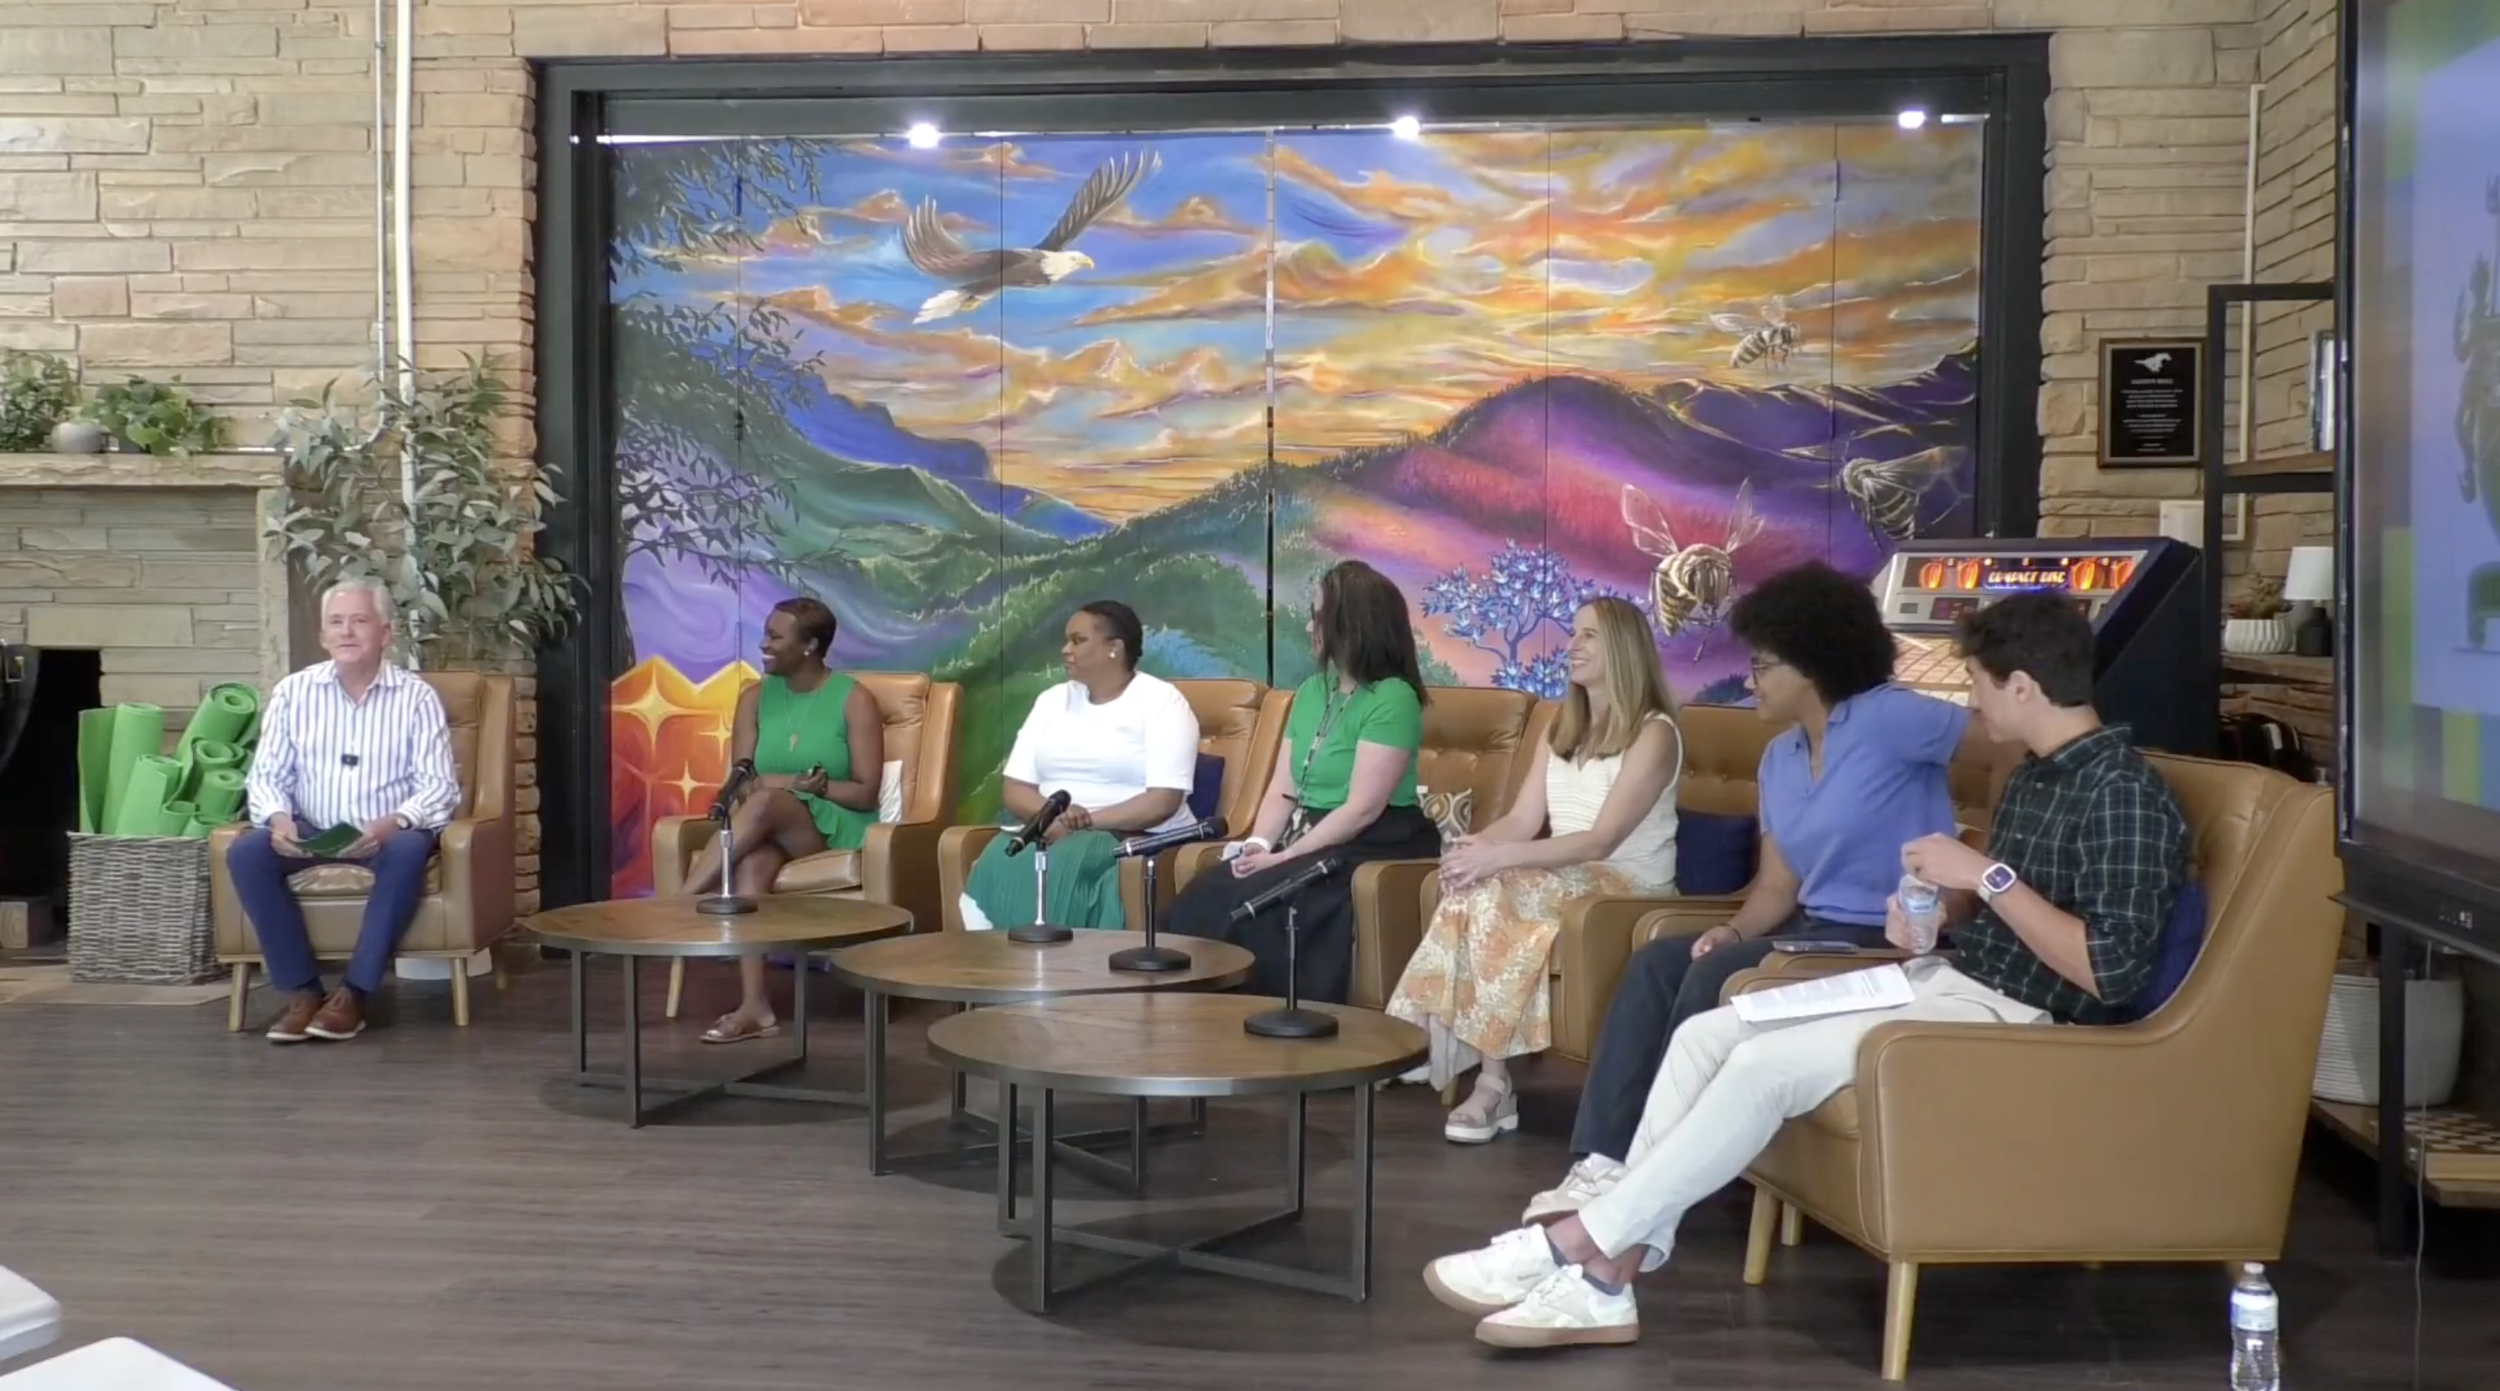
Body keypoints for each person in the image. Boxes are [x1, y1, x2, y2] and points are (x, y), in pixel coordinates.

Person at [1421, 591, 2190, 1349]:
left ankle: (1578, 1250)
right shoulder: (2034, 777)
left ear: (2022, 686)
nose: (1973, 708)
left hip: (2021, 1014)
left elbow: (2108, 971)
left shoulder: (2123, 791)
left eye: (1981, 686)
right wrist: (1933, 912)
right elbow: (1984, 911)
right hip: (1950, 980)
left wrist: (1984, 876)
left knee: (1759, 1065)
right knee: (1708, 1033)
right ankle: (1604, 1277)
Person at [1538, 562, 1970, 1204]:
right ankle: (1603, 1158)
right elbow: (1777, 884)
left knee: (1716, 980)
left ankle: (1658, 1171)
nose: (1750, 680)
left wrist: (1974, 869)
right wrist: (1731, 929)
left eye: (1764, 665)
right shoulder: (1780, 758)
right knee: (1662, 961)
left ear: (1813, 665)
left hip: (1887, 937)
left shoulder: (1889, 719)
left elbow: (2003, 737)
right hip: (1810, 930)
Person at [1386, 596, 1683, 1144]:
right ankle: (1475, 1069)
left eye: (1588, 635)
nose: (1571, 646)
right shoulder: (1559, 725)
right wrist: (1473, 848)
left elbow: (1601, 839)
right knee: (1473, 882)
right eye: (1573, 634)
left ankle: (1468, 1067)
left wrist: (1499, 859)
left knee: (1499, 887)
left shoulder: (1653, 733)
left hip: (1627, 888)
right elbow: (1523, 820)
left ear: (1623, 646)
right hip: (1568, 876)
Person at [1167, 560, 1439, 1002]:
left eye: (1318, 615)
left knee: (1259, 908)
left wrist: (1284, 857)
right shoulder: (1313, 690)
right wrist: (1258, 846)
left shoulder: (1395, 697)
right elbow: (1284, 787)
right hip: (1311, 833)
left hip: (1375, 838)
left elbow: (1362, 809)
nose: (1310, 625)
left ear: (1350, 623)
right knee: (1208, 894)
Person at [234, 577, 461, 1044]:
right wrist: (278, 819)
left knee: (406, 851)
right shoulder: (294, 693)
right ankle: (303, 993)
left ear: (386, 633)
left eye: (359, 620)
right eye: (336, 623)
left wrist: (393, 822)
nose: (347, 632)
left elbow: (439, 787)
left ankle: (355, 994)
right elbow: (267, 776)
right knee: (246, 853)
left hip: (387, 831)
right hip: (311, 829)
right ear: (322, 636)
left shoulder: (416, 698)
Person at [687, 597, 882, 1044]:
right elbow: (738, 781)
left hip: (832, 827)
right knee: (751, 867)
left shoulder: (854, 699)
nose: (764, 644)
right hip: (769, 827)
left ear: (810, 645)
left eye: (776, 637)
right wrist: (783, 782)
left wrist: (812, 788)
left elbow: (866, 790)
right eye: (766, 634)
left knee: (768, 800)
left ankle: (675, 904)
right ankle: (755, 1007)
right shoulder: (754, 698)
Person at [959, 601, 1201, 933]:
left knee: (1073, 861)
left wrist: (1083, 822)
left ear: (1114, 648)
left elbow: (1162, 801)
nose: (1065, 650)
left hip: (1130, 834)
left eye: (1077, 640)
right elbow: (1015, 788)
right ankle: (997, 967)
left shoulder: (1162, 702)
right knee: (1004, 853)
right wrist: (1053, 818)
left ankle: (1063, 971)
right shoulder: (1051, 701)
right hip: (1052, 828)